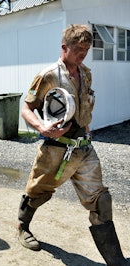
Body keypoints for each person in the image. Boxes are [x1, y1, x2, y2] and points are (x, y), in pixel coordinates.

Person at [17, 25, 128, 265]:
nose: (83, 54)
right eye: (78, 49)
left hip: (84, 148)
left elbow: (83, 106)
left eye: (86, 49)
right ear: (64, 47)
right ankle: (22, 226)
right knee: (38, 193)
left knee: (100, 200)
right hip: (55, 149)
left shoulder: (86, 73)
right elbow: (27, 107)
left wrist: (87, 131)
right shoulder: (49, 75)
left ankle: (116, 261)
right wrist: (42, 128)